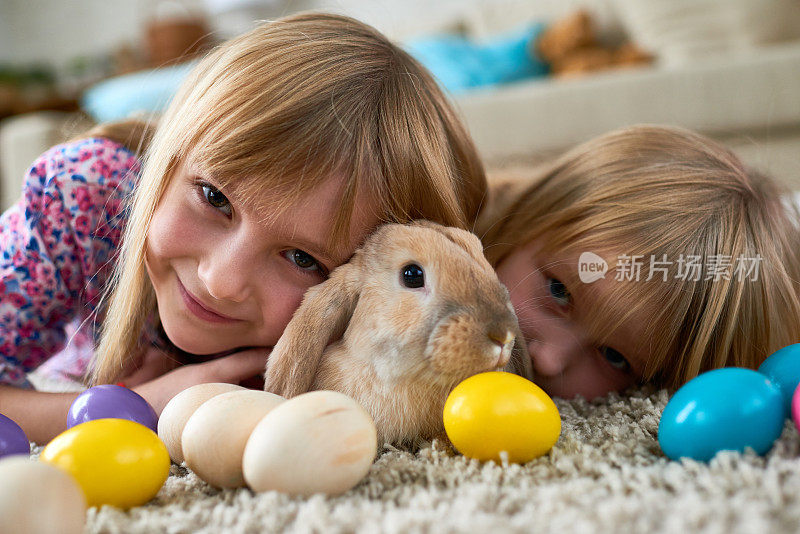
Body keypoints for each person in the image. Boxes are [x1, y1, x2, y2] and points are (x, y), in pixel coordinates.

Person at [0, 12, 487, 443]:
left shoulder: (380, 307)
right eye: (215, 199)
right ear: (172, 154)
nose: (221, 280)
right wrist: (138, 408)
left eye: (302, 259)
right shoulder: (83, 193)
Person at [478, 124, 800, 400]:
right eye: (558, 291)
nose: (547, 360)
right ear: (523, 220)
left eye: (614, 357)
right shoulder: (444, 213)